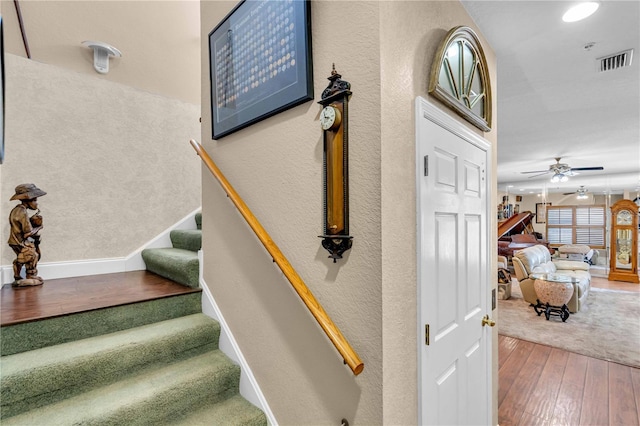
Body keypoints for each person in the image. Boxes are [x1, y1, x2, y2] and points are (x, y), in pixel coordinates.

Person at [8, 183, 46, 287]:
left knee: (22, 257)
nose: (36, 203)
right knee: (33, 256)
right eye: (34, 200)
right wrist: (39, 226)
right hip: (19, 241)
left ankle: (17, 276)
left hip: (14, 240)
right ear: (27, 199)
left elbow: (20, 226)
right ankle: (30, 277)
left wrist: (30, 221)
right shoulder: (22, 211)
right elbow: (27, 233)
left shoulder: (17, 209)